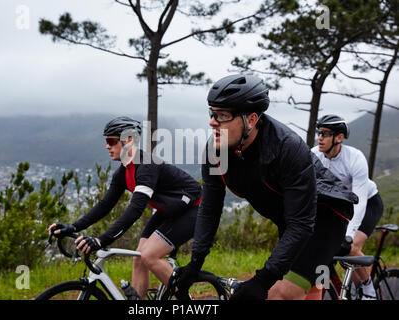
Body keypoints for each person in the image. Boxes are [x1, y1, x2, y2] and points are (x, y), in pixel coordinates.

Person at [174, 74, 357, 300]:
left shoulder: (288, 148)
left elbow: (301, 224)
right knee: (306, 288)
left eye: (222, 115)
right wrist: (195, 263)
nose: (213, 122)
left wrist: (263, 280)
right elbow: (210, 207)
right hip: (289, 220)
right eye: (212, 113)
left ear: (251, 120)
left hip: (324, 218)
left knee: (278, 293)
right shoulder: (215, 151)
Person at [48, 116, 202, 299]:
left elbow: (135, 210)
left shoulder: (146, 166)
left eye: (111, 141)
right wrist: (74, 227)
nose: (107, 146)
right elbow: (105, 205)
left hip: (194, 209)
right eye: (106, 141)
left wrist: (101, 241)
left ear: (129, 140)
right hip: (169, 210)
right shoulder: (123, 172)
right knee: (139, 257)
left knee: (149, 255)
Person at [312, 114, 384, 299]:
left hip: (367, 204)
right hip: (340, 207)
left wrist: (349, 235)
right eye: (319, 132)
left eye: (325, 134)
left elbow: (359, 200)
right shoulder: (314, 155)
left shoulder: (354, 158)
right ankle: (338, 289)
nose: (320, 137)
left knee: (350, 248)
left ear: (339, 138)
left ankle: (368, 289)